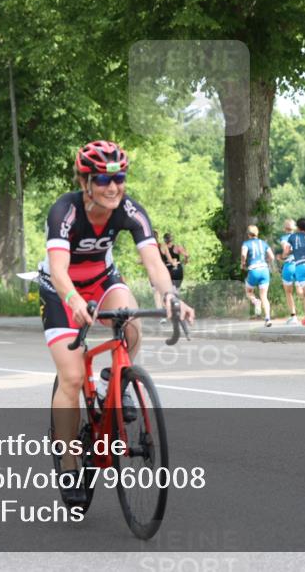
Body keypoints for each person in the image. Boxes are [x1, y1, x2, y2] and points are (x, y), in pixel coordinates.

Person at [39, 140, 195, 504]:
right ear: (85, 182)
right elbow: (59, 270)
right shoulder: (65, 211)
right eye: (103, 180)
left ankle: (119, 381)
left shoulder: (130, 210)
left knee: (132, 321)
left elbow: (154, 263)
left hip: (103, 280)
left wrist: (170, 295)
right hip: (60, 289)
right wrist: (74, 299)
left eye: (119, 178)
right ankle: (68, 461)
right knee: (73, 377)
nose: (113, 187)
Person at [240, 225, 274, 327]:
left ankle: (255, 301)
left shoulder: (246, 244)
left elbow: (243, 255)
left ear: (248, 234)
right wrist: (267, 263)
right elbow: (271, 256)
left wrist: (243, 263)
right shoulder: (263, 243)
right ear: (257, 233)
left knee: (249, 291)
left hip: (253, 270)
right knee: (264, 296)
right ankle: (268, 318)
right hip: (264, 270)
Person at [278, 218, 300, 325]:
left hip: (289, 265)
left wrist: (282, 257)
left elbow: (286, 250)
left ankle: (294, 316)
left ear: (284, 228)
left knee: (288, 292)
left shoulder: (283, 238)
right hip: (300, 265)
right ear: (294, 228)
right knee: (302, 291)